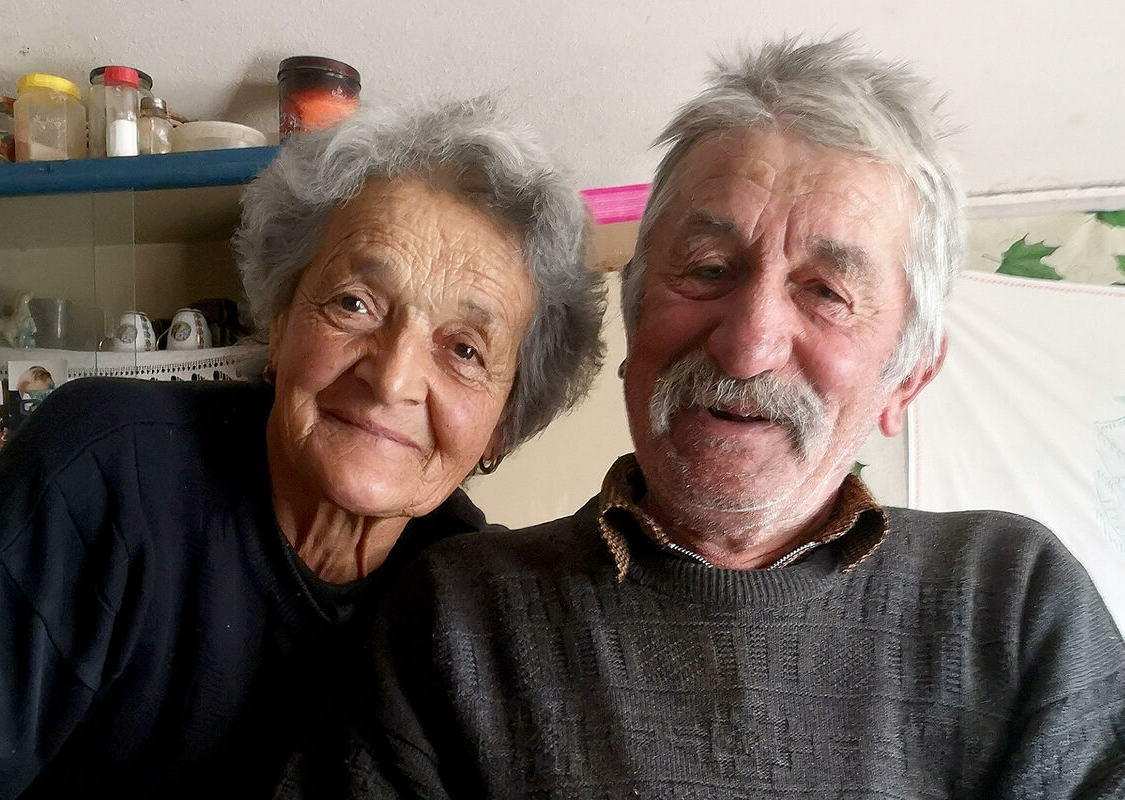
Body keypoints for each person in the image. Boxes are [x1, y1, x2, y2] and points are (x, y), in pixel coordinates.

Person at [344, 38, 1125, 798]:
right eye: (709, 269)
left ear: (907, 377)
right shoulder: (458, 614)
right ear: (635, 323)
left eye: (827, 292)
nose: (749, 345)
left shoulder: (1014, 604)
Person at [0, 97, 605, 799]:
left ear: (502, 424)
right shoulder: (107, 469)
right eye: (355, 303)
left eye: (464, 349)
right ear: (279, 324)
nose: (392, 379)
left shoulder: (464, 603)